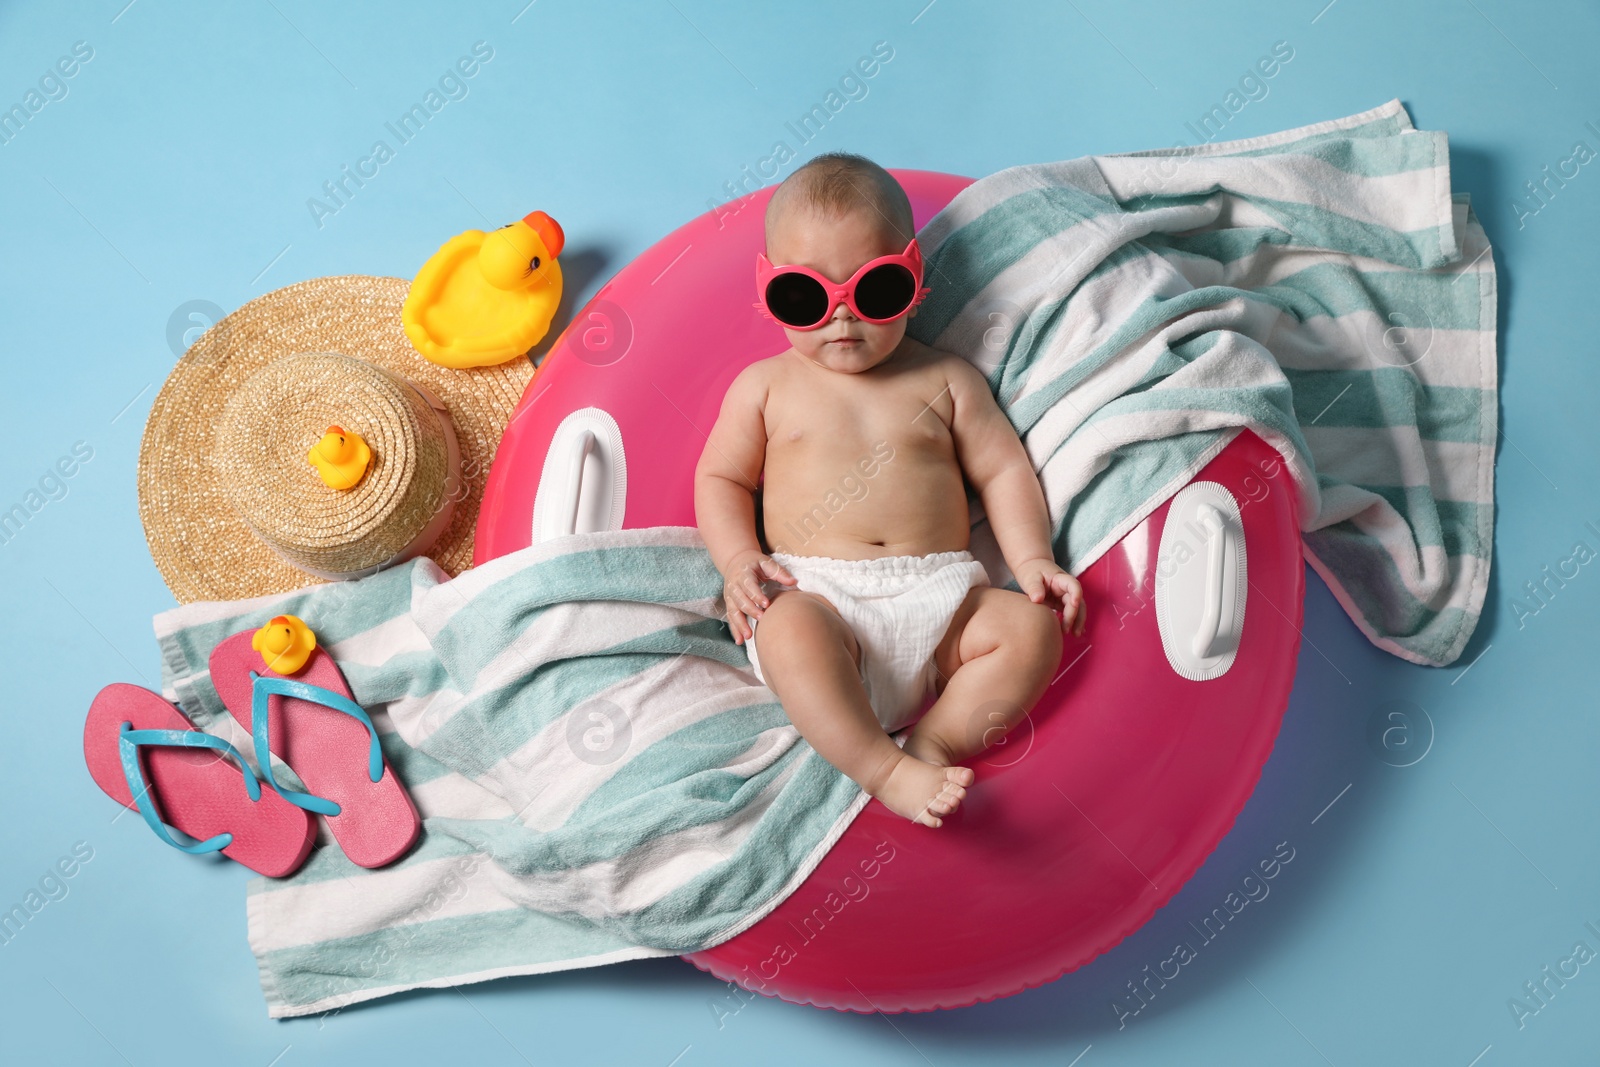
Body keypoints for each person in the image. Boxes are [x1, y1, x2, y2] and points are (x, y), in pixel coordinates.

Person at [694, 152, 1086, 827]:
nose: (842, 320)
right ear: (768, 291)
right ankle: (882, 766)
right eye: (806, 298)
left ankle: (935, 740)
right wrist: (736, 562)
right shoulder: (764, 388)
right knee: (786, 630)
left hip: (943, 603)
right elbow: (721, 477)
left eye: (874, 292)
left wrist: (1032, 562)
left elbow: (1002, 470)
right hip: (819, 595)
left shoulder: (948, 380)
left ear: (914, 279)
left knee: (1030, 631)